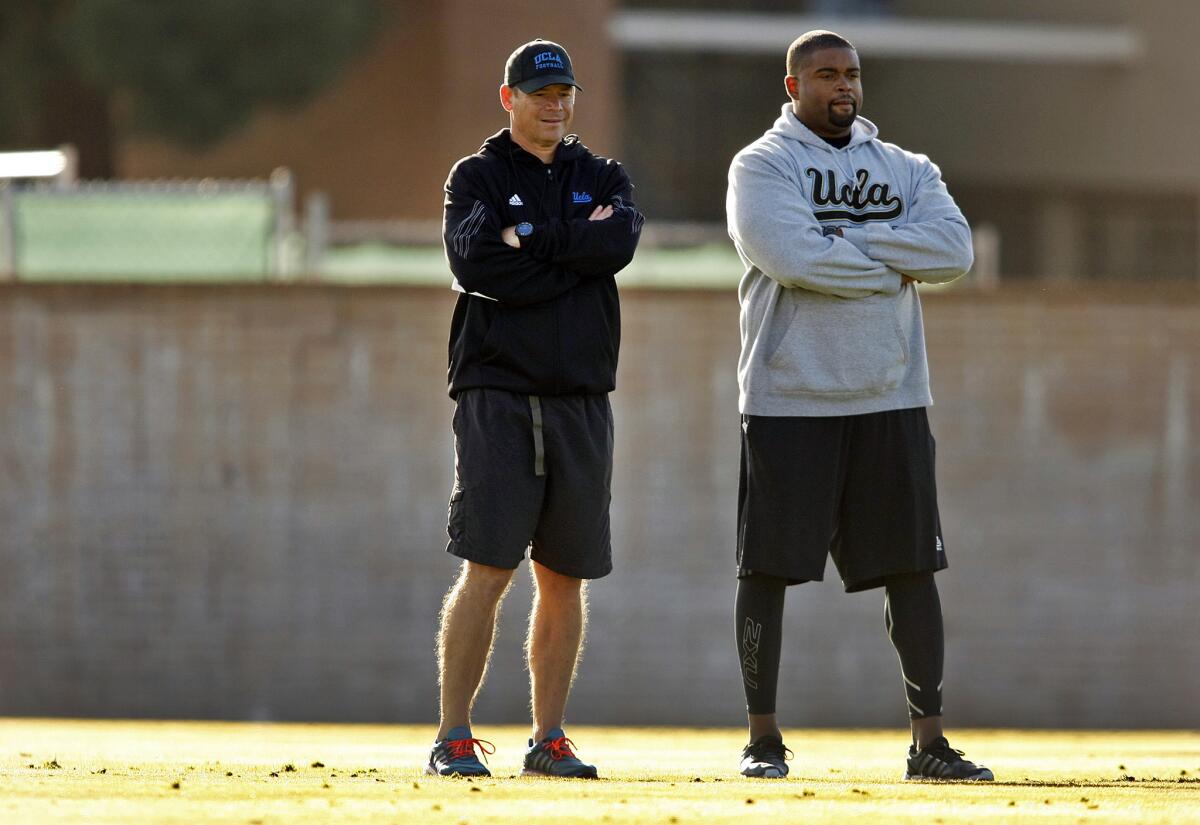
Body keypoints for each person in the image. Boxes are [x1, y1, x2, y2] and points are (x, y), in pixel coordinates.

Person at [726, 30, 993, 781]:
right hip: (788, 398)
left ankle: (929, 744)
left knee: (912, 569)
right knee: (766, 572)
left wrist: (848, 238)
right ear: (793, 86)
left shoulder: (908, 167)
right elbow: (790, 254)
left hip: (891, 394)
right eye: (824, 75)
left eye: (852, 74)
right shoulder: (762, 165)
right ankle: (763, 741)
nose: (842, 86)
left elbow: (953, 252)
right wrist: (887, 264)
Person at [428, 38, 643, 779]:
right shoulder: (477, 176)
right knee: (488, 566)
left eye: (564, 94)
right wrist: (572, 257)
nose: (554, 106)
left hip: (581, 397)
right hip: (497, 393)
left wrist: (536, 242)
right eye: (539, 93)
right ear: (508, 97)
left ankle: (548, 739)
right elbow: (476, 264)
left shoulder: (602, 174)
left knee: (565, 576)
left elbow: (618, 243)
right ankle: (453, 736)